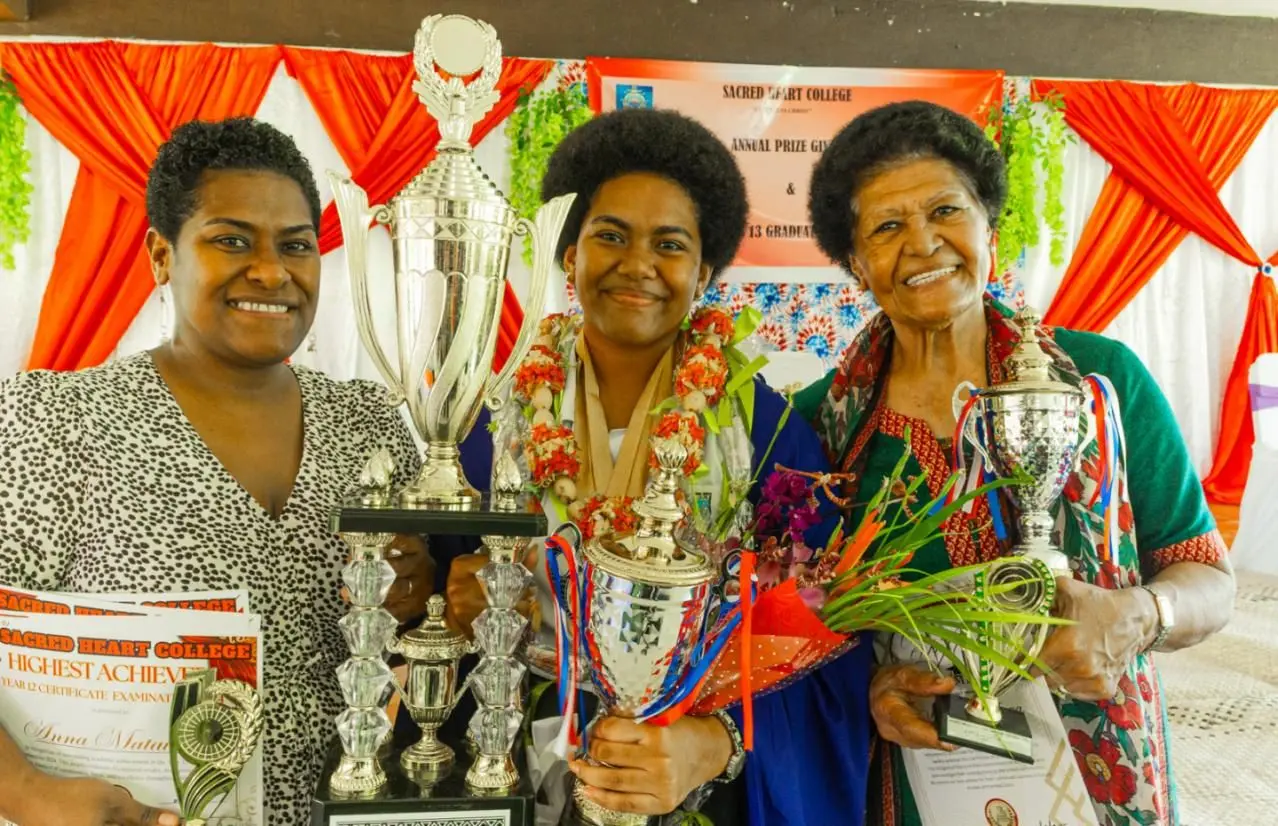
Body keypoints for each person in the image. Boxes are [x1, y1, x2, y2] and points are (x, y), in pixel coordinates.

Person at [424, 108, 875, 825]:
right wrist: (453, 611)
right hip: (512, 770)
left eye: (669, 244)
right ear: (569, 253)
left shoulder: (766, 433)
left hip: (692, 789)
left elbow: (825, 648)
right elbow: (429, 610)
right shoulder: (487, 428)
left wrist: (712, 745)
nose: (637, 265)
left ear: (704, 271)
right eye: (610, 236)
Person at [796, 99, 1237, 826]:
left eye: (945, 210)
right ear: (854, 263)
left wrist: (1139, 614)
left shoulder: (1102, 381)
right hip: (914, 781)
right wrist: (866, 686)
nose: (923, 243)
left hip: (1095, 778)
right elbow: (797, 627)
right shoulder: (818, 425)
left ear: (988, 228)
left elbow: (1209, 580)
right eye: (886, 226)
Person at [0, 117, 433, 826]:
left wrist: (427, 594)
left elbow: (421, 633)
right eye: (231, 240)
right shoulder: (58, 421)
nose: (271, 271)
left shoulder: (371, 428)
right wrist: (27, 794)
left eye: (296, 245)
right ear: (162, 255)